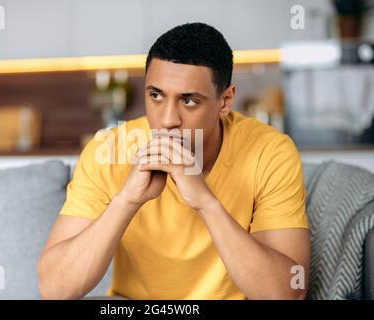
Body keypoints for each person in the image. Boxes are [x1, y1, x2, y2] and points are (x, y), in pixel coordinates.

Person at [37, 22, 310, 300]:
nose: (167, 120)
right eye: (155, 95)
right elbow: (55, 289)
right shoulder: (107, 150)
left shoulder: (270, 151)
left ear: (225, 101)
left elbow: (289, 292)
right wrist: (127, 200)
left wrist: (205, 202)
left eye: (189, 100)